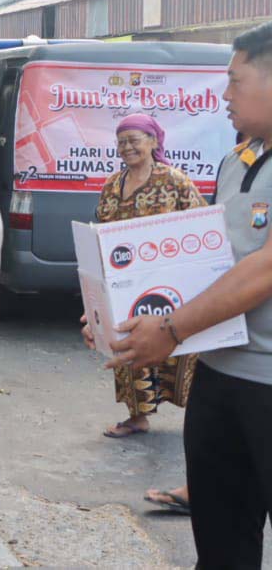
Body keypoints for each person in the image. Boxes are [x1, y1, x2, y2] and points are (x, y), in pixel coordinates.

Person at [109, 21, 272, 566]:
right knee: (222, 541)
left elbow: (264, 269)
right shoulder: (238, 160)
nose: (224, 95)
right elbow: (205, 262)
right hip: (221, 379)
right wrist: (119, 311)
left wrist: (173, 330)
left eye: (235, 81)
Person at [97, 115, 206, 441]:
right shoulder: (112, 185)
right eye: (122, 141)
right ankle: (137, 415)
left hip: (170, 284)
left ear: (154, 142)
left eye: (135, 139)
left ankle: (203, 422)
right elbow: (100, 229)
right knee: (130, 348)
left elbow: (200, 223)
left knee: (182, 349)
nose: (127, 147)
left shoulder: (175, 181)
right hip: (126, 285)